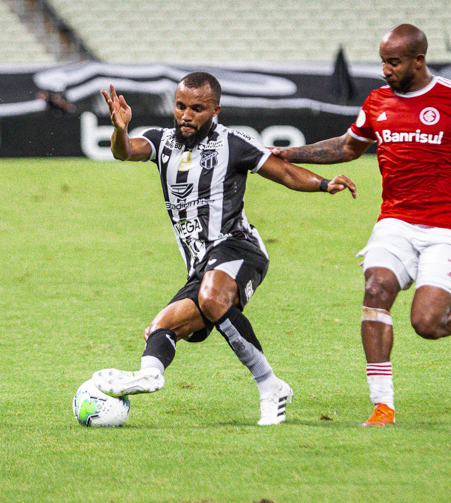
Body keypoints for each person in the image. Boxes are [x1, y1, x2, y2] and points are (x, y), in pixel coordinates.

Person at [272, 24, 451, 427]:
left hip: (447, 227)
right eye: (383, 62)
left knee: (427, 324)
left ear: (417, 60)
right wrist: (290, 153)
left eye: (393, 62)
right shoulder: (377, 101)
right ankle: (382, 406)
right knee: (375, 288)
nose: (386, 70)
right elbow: (347, 146)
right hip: (395, 221)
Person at [92, 72, 357, 425]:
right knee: (160, 329)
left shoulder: (234, 143)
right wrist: (120, 128)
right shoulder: (162, 141)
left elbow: (286, 173)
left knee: (212, 296)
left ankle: (269, 385)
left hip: (239, 247)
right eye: (181, 106)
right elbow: (124, 152)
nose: (186, 115)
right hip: (200, 264)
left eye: (197, 109)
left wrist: (325, 184)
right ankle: (151, 374)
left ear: (216, 109)